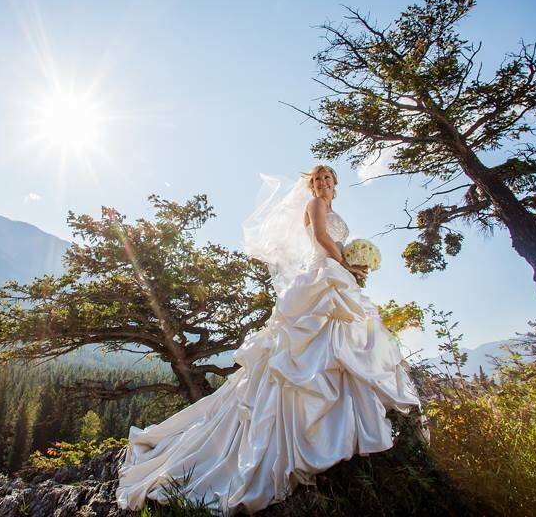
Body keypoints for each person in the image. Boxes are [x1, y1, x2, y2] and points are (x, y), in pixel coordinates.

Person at [116, 165, 422, 515]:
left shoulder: (334, 209)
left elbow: (333, 240)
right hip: (325, 276)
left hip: (336, 275)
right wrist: (347, 265)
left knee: (345, 341)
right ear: (313, 185)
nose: (322, 183)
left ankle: (345, 424)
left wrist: (352, 265)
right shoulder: (316, 207)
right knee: (313, 347)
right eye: (317, 179)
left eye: (327, 179)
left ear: (336, 183)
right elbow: (322, 239)